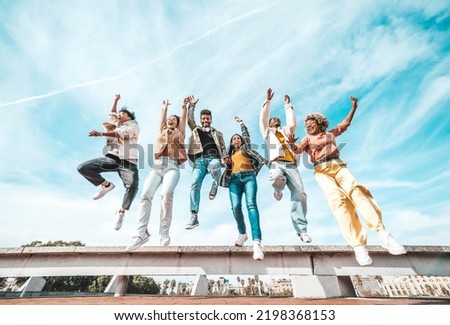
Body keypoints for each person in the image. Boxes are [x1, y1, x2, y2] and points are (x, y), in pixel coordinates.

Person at [288, 95, 406, 266]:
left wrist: (354, 107)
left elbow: (345, 124)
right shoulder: (307, 139)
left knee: (356, 191)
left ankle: (382, 233)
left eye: (311, 123)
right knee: (338, 201)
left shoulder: (330, 133)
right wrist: (292, 144)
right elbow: (298, 150)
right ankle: (358, 244)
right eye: (306, 125)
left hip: (338, 166)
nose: (307, 126)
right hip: (321, 171)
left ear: (319, 123)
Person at [126, 98, 187, 251]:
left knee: (166, 195)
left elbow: (183, 120)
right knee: (145, 195)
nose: (170, 120)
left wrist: (184, 108)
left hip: (172, 167)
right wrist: (164, 108)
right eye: (169, 119)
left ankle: (164, 232)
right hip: (156, 166)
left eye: (174, 119)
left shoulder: (180, 133)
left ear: (177, 123)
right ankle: (140, 233)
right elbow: (162, 119)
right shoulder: (162, 131)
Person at [78, 94, 140, 231]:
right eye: (119, 114)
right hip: (113, 158)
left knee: (133, 186)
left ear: (128, 116)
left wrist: (100, 134)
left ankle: (121, 212)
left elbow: (122, 134)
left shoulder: (133, 125)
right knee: (83, 168)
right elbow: (111, 115)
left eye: (122, 113)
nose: (119, 115)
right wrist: (115, 101)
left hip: (128, 161)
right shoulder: (115, 123)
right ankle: (106, 186)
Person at [259, 88, 311, 243]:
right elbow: (263, 118)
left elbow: (292, 124)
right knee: (275, 177)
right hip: (276, 163)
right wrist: (267, 101)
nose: (275, 122)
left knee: (300, 193)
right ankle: (278, 190)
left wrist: (288, 107)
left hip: (291, 165)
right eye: (273, 121)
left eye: (277, 121)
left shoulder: (286, 131)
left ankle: (302, 231)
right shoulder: (267, 132)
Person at [220, 116, 268, 260]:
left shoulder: (245, 148)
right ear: (231, 142)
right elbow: (225, 166)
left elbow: (246, 136)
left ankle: (257, 242)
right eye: (233, 139)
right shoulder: (229, 155)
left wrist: (242, 124)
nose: (236, 140)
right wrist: (226, 163)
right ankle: (242, 233)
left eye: (238, 138)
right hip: (234, 180)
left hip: (248, 177)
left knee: (251, 205)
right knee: (235, 207)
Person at [185, 95, 229, 230]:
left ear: (211, 120)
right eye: (203, 119)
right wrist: (191, 106)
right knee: (194, 183)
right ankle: (194, 215)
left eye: (207, 119)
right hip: (199, 161)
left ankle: (216, 183)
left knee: (215, 167)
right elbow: (190, 120)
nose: (205, 120)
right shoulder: (196, 130)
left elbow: (223, 147)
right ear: (201, 120)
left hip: (214, 158)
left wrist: (225, 158)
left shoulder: (218, 133)